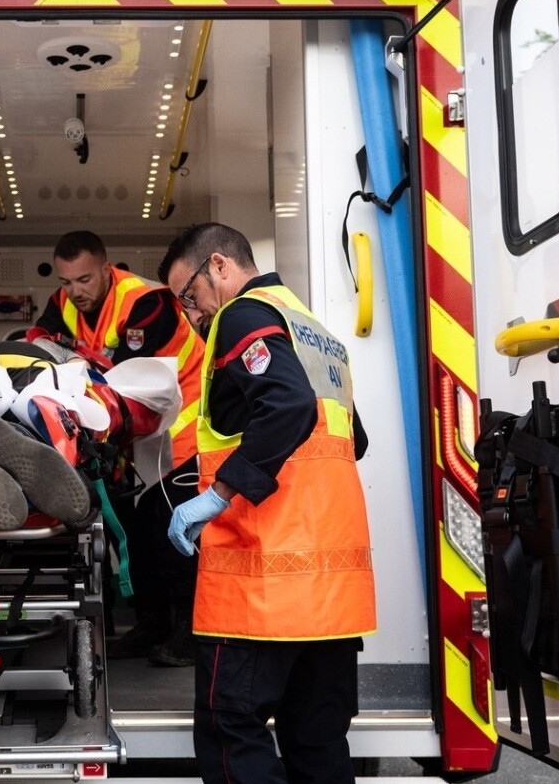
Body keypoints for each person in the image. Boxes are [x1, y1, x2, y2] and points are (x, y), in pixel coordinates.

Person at [159, 223, 375, 784]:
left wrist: (218, 494)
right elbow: (355, 437)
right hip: (330, 598)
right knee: (317, 741)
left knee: (231, 727)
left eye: (190, 295)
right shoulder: (311, 329)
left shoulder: (244, 315)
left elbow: (287, 407)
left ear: (220, 267)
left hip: (261, 589)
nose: (192, 315)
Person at [27, 230, 205, 665]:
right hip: (131, 431)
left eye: (84, 280)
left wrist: (71, 361)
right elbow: (36, 338)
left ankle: (189, 633)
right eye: (67, 281)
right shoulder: (65, 300)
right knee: (136, 532)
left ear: (106, 270)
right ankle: (151, 624)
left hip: (180, 424)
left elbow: (126, 376)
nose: (74, 291)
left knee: (173, 531)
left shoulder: (147, 301)